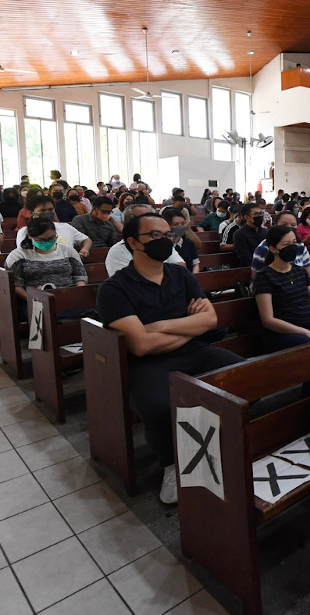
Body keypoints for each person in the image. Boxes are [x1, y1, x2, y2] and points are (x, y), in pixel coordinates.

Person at [96, 213, 242, 504]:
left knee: (246, 376)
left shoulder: (181, 274)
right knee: (158, 406)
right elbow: (141, 346)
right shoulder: (114, 289)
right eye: (156, 236)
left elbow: (210, 319)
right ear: (134, 243)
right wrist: (190, 327)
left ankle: (218, 442)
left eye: (169, 234)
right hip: (149, 365)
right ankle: (172, 463)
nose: (167, 240)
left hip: (195, 352)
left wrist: (161, 326)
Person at [253, 225, 310, 352]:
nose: (292, 247)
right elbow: (268, 320)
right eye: (286, 244)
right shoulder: (264, 276)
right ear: (273, 249)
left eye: (294, 242)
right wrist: (302, 331)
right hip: (282, 334)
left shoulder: (300, 271)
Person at [4, 217, 87, 303]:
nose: (47, 242)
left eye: (51, 238)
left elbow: (81, 277)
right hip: (34, 301)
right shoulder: (18, 255)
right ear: (30, 236)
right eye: (41, 240)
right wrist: (33, 300)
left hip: (68, 297)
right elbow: (15, 285)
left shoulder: (68, 251)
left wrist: (77, 295)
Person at [105, 205, 186, 276]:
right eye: (145, 219)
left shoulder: (162, 243)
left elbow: (181, 268)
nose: (153, 222)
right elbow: (130, 281)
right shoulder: (118, 251)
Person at [16, 194, 92, 259]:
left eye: (50, 209)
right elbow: (25, 253)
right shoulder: (25, 231)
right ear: (31, 213)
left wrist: (85, 249)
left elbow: (86, 239)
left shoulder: (66, 227)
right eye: (42, 210)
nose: (48, 213)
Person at [162, 208, 201, 273]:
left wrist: (193, 277)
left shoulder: (189, 243)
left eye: (183, 224)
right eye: (175, 224)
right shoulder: (163, 244)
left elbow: (195, 264)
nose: (180, 227)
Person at [234, 203, 267, 267]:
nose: (260, 216)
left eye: (261, 213)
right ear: (247, 217)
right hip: (249, 269)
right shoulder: (239, 234)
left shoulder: (265, 231)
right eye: (256, 214)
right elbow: (246, 258)